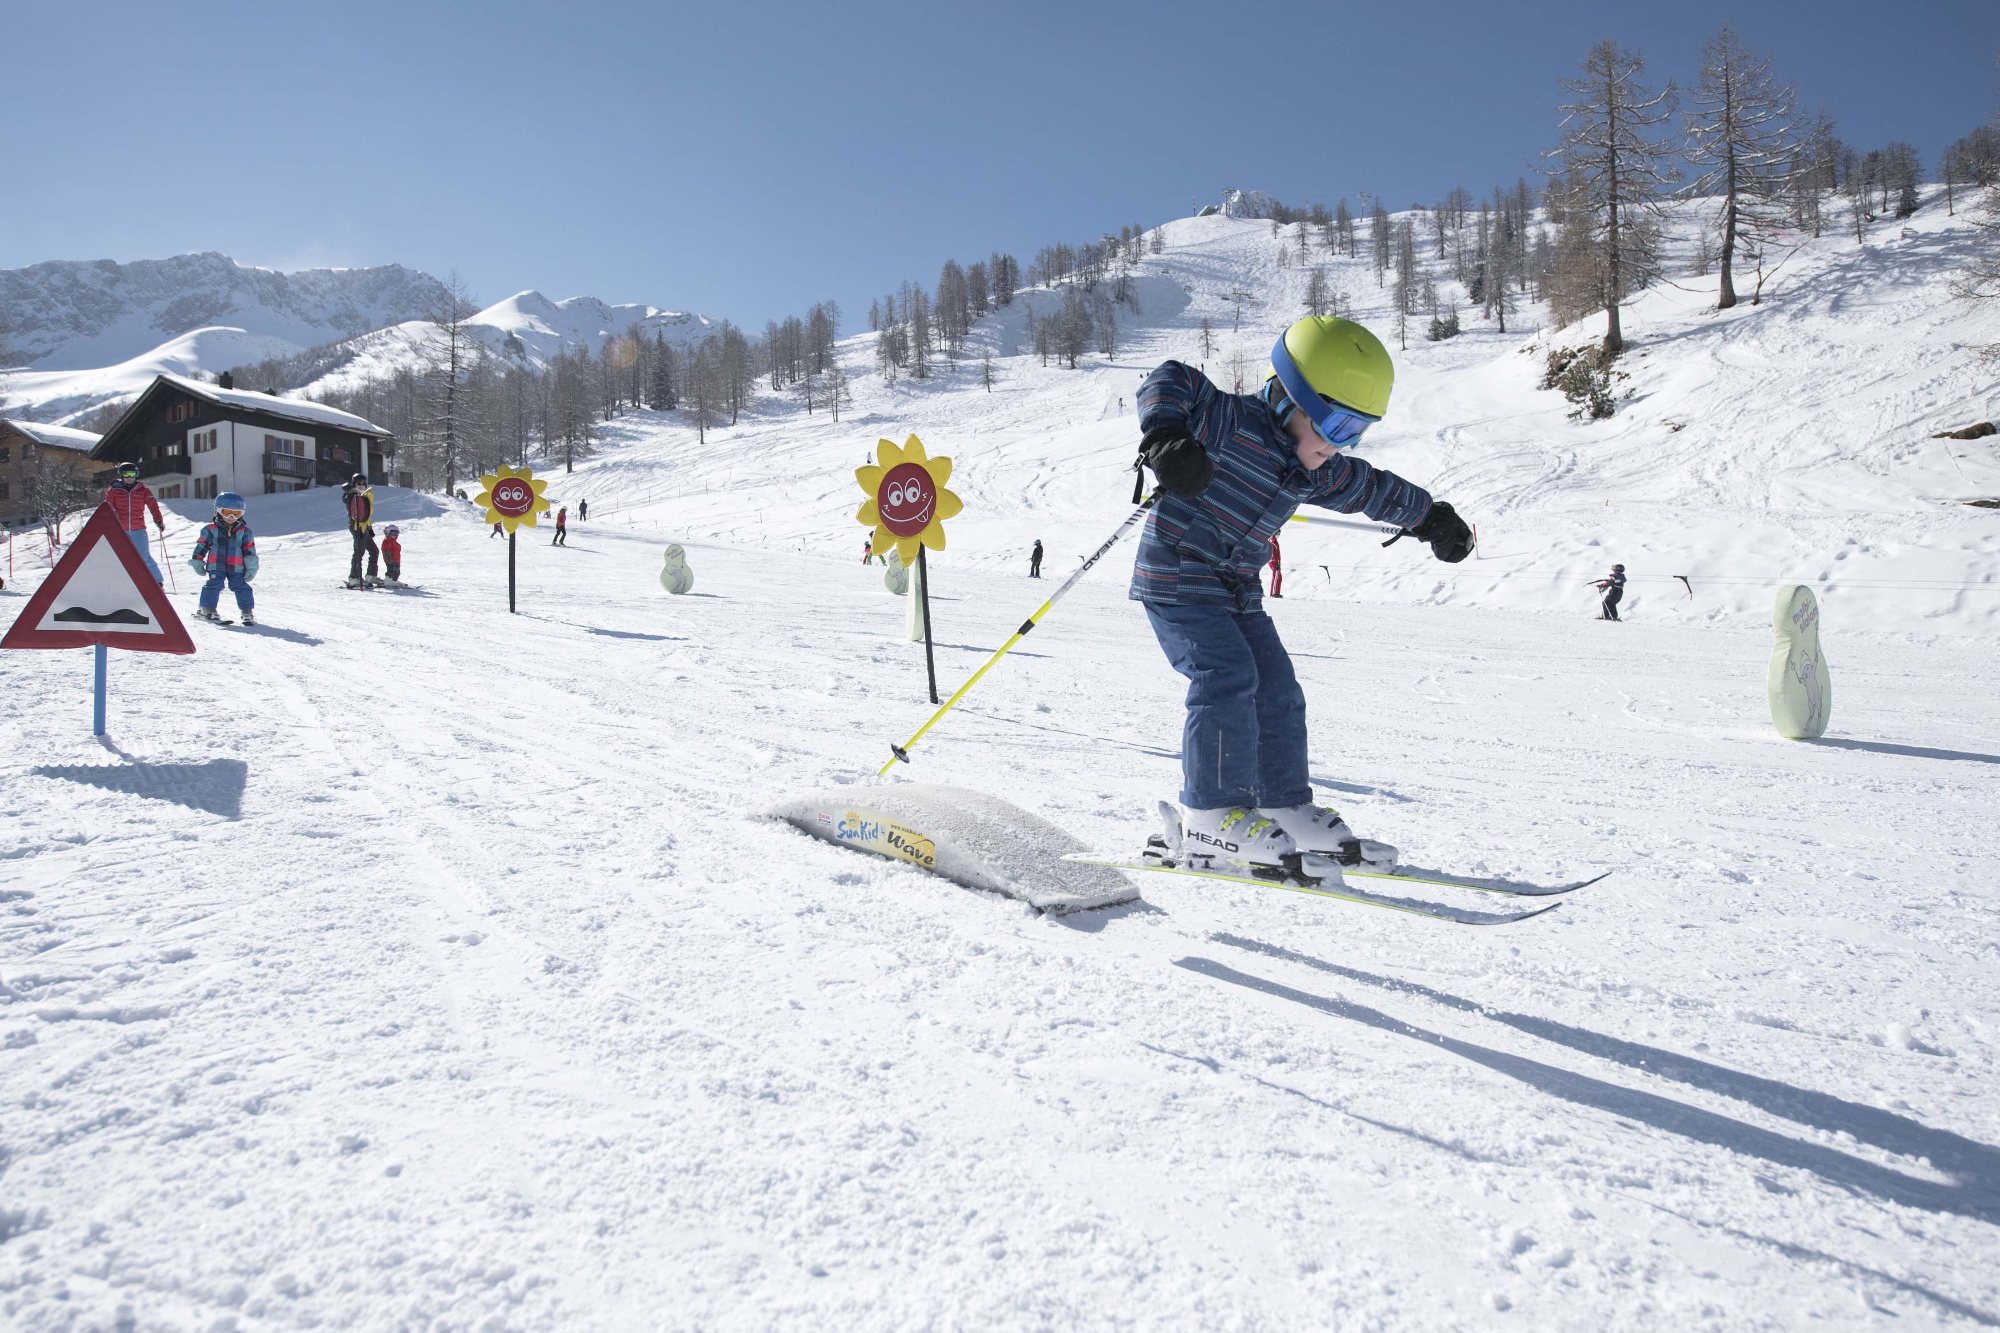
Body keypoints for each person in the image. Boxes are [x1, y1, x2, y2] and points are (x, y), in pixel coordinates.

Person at [1132, 315, 1472, 872]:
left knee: (1278, 690)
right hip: (1178, 576)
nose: (1342, 444)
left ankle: (1281, 804)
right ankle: (1210, 817)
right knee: (1225, 676)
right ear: (1291, 399)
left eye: (1358, 431)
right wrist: (1166, 434)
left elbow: (1370, 487)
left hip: (1237, 589)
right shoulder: (1229, 422)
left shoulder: (1315, 470)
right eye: (1338, 424)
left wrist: (1430, 516)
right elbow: (1170, 378)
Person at [189, 492, 257, 625]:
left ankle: (247, 612)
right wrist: (197, 560)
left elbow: (249, 551)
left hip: (236, 567)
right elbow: (202, 545)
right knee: (213, 585)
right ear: (218, 511)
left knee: (241, 587)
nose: (231, 517)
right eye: (227, 513)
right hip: (216, 565)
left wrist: (251, 567)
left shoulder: (245, 532)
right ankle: (207, 609)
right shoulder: (210, 529)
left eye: (236, 514)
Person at [103, 462, 165, 585]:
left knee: (144, 556)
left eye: (132, 474)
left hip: (138, 529)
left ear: (136, 475)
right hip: (120, 530)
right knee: (119, 556)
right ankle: (122, 583)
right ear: (121, 475)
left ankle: (157, 582)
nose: (129, 477)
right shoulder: (114, 491)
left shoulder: (143, 491)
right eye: (126, 474)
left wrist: (158, 520)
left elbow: (153, 506)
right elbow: (107, 507)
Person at [342, 473, 379, 588]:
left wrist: (369, 528)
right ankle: (354, 577)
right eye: (359, 483)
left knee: (374, 551)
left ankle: (371, 575)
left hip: (364, 527)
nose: (361, 486)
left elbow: (365, 515)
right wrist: (350, 490)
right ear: (354, 484)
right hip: (356, 527)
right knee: (359, 552)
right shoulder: (351, 496)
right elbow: (345, 489)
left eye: (363, 484)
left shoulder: (363, 496)